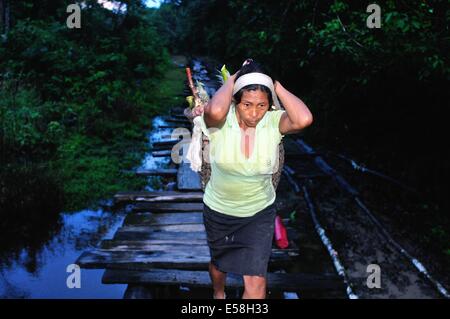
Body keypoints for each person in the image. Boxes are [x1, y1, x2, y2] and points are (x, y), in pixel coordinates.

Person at [195, 59, 313, 299]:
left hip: (259, 212)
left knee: (257, 284)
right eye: (247, 104)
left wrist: (272, 80)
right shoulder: (219, 122)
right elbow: (215, 109)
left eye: (262, 105)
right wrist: (237, 75)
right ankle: (219, 294)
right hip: (220, 211)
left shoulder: (272, 122)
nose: (254, 113)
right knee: (220, 266)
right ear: (236, 101)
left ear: (270, 105)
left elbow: (303, 119)